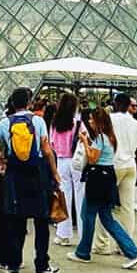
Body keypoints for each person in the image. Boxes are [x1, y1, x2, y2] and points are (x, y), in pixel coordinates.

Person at [0, 87, 61, 273]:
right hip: (36, 173)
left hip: (14, 173)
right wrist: (54, 173)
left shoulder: (5, 122)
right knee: (41, 220)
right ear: (29, 102)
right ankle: (42, 266)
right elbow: (46, 150)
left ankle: (13, 264)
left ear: (12, 103)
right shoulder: (38, 121)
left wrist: (1, 161)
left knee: (16, 219)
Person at [70, 106, 137, 268]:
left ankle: (83, 252)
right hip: (107, 178)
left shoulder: (101, 138)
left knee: (88, 215)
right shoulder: (110, 137)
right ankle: (132, 251)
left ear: (98, 121)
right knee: (106, 218)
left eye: (91, 119)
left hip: (97, 180)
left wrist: (83, 141)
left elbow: (92, 159)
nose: (89, 121)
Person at [94, 94, 137, 255]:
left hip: (112, 166)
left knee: (104, 205)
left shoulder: (110, 119)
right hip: (130, 165)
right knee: (127, 208)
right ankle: (125, 244)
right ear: (129, 105)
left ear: (114, 104)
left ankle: (102, 244)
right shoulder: (136, 124)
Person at [49, 91, 89, 246]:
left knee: (64, 197)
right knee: (80, 197)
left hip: (61, 161)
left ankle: (63, 234)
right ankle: (83, 235)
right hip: (77, 161)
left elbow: (51, 143)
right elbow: (86, 139)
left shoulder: (54, 123)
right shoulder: (77, 123)